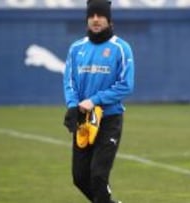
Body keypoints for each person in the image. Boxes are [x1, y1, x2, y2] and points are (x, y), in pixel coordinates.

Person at [63, 0, 135, 202]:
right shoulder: (76, 48)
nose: (95, 19)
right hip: (84, 120)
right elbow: (69, 81)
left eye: (100, 15)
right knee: (80, 177)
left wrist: (94, 100)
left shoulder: (121, 48)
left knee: (98, 176)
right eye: (92, 15)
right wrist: (72, 106)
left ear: (109, 19)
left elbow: (126, 85)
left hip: (109, 120)